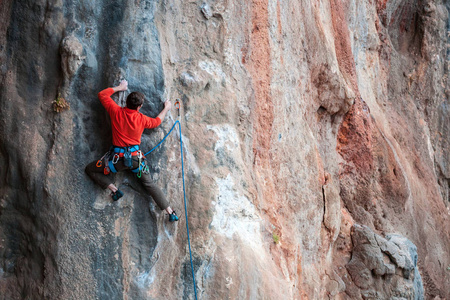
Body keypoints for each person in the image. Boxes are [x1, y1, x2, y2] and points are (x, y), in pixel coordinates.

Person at [85, 80, 179, 222]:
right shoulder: (141, 119)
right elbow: (157, 121)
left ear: (126, 102)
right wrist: (166, 108)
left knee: (90, 169)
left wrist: (120, 87)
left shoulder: (116, 111)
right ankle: (170, 212)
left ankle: (114, 190)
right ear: (139, 107)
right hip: (136, 161)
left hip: (116, 161)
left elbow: (102, 94)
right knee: (149, 184)